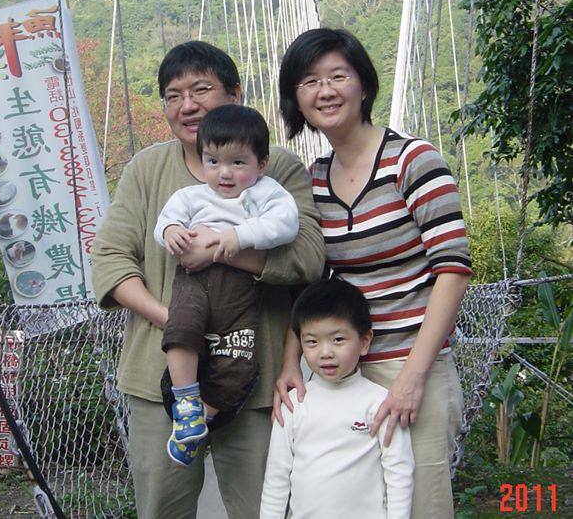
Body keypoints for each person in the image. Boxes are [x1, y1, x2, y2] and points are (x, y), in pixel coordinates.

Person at [91, 40, 325, 519]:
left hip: (257, 377)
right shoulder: (147, 169)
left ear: (235, 94)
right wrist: (177, 322)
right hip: (159, 375)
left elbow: (308, 258)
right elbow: (110, 260)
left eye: (201, 90)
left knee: (265, 509)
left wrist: (223, 248)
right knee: (162, 509)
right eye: (173, 96)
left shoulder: (275, 167)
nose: (187, 105)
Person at [274, 28, 472, 519]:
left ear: (364, 84)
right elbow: (312, 285)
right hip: (343, 372)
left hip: (413, 365)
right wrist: (290, 364)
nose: (325, 91)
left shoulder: (413, 160)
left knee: (421, 504)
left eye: (338, 76)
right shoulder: (315, 179)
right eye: (309, 81)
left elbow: (452, 270)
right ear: (296, 99)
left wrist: (412, 377)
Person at [154, 104, 299, 465]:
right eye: (213, 161)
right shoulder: (191, 196)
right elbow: (166, 222)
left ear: (261, 164)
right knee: (182, 330)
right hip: (193, 280)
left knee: (238, 359)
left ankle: (204, 415)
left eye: (238, 162)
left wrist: (237, 236)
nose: (225, 173)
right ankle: (186, 401)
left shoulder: (267, 193)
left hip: (239, 287)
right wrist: (171, 232)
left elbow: (286, 224)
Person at [260, 278, 414, 519]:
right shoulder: (293, 403)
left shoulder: (380, 403)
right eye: (312, 342)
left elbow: (399, 473)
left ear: (364, 342)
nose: (326, 352)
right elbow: (276, 478)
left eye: (338, 340)